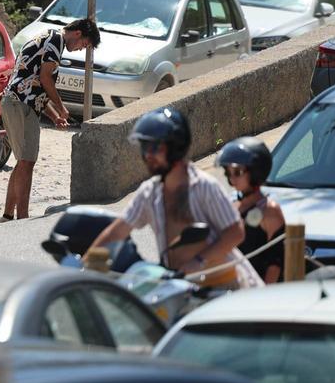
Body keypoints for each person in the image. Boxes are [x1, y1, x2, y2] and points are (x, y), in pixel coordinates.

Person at [87, 108, 262, 288]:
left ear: (175, 148)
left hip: (224, 286)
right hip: (180, 287)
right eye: (144, 148)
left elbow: (235, 232)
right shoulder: (149, 193)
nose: (148, 155)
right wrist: (86, 264)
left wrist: (199, 262)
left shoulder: (204, 187)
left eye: (154, 148)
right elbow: (118, 231)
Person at [0, 17, 100, 221]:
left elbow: (35, 87)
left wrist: (55, 117)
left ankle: (8, 216)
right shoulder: (55, 41)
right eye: (84, 45)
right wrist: (62, 107)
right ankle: (23, 220)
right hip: (20, 104)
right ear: (78, 33)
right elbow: (45, 80)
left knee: (22, 162)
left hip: (17, 102)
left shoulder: (49, 37)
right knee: (27, 162)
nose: (81, 49)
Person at [218, 136, 285, 284]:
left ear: (256, 172)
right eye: (228, 173)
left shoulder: (269, 211)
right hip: (233, 286)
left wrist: (260, 298)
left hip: (258, 291)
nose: (232, 178)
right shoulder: (232, 204)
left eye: (237, 172)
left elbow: (276, 263)